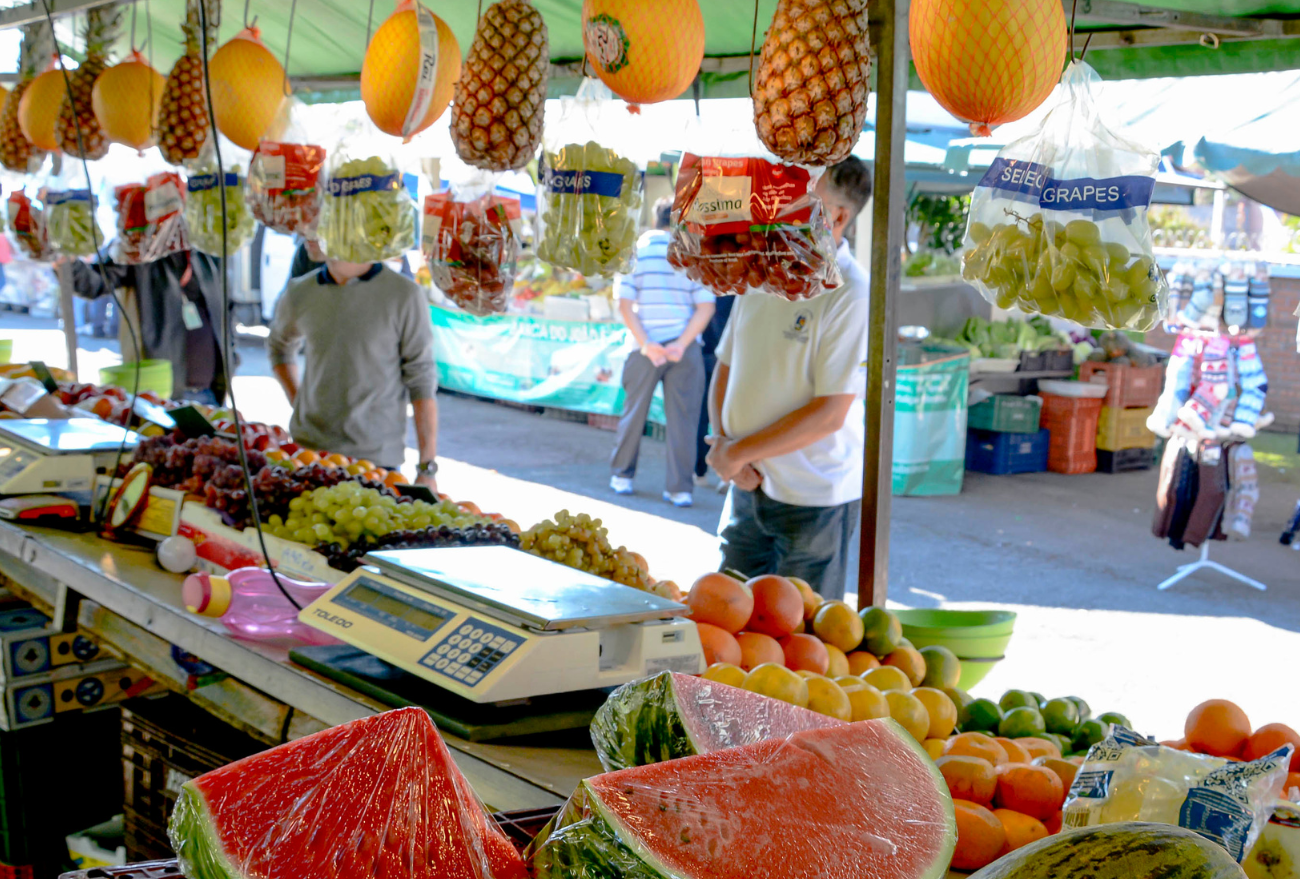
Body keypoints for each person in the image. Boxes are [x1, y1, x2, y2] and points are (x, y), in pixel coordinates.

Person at [706, 157, 873, 600]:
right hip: (746, 483)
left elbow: (829, 413)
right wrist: (727, 447)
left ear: (837, 216)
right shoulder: (763, 272)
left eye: (799, 202)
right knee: (727, 621)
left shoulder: (851, 292)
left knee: (802, 640)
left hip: (812, 498)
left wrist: (736, 452)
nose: (779, 211)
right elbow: (726, 364)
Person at [267, 256, 440, 490]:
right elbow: (279, 348)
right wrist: (298, 402)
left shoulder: (404, 294)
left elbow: (421, 380)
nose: (308, 227)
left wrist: (426, 468)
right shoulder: (301, 291)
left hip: (375, 460)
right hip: (308, 451)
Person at [610, 199, 715, 507]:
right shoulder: (691, 253)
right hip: (684, 350)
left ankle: (621, 476)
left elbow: (624, 304)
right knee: (685, 420)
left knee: (633, 415)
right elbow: (706, 307)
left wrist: (646, 344)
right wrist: (680, 344)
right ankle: (680, 489)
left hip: (644, 348)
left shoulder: (634, 251)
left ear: (655, 220)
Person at [66, 248, 228, 403]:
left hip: (210, 392)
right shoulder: (139, 253)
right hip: (161, 392)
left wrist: (231, 356)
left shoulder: (203, 253)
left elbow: (226, 309)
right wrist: (68, 262)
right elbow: (93, 283)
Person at [694, 294, 734, 490]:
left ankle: (700, 471)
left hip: (708, 356)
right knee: (729, 415)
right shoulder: (740, 287)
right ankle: (726, 474)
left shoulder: (705, 281)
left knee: (702, 416)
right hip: (727, 360)